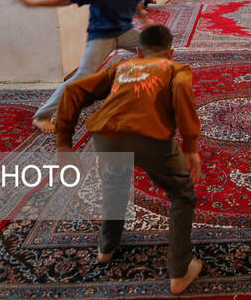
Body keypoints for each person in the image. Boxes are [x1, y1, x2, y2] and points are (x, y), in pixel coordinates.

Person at [55, 25, 202, 295]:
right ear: (170, 53)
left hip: (106, 138)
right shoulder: (175, 69)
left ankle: (106, 247)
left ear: (139, 52)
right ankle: (180, 272)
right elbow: (182, 93)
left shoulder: (121, 67)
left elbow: (72, 90)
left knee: (115, 175)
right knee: (182, 194)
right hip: (151, 140)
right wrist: (190, 147)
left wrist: (64, 142)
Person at [9, 0, 152, 134]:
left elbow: (136, 1)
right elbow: (65, 0)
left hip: (125, 32)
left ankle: (139, 94)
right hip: (101, 36)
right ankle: (42, 116)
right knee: (82, 76)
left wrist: (144, 20)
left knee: (156, 48)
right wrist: (32, 4)